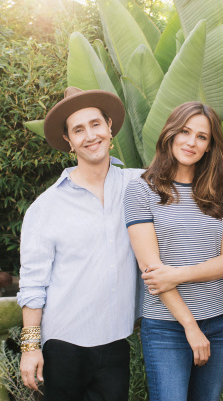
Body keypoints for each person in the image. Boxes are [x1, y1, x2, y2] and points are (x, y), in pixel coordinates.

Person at [17, 87, 143, 401]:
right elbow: (33, 283)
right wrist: (31, 349)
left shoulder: (138, 186)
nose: (90, 135)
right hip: (64, 345)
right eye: (78, 130)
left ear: (110, 127)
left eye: (95, 124)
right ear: (69, 142)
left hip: (115, 343)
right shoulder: (46, 208)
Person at [124, 101, 223, 401]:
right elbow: (153, 272)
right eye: (185, 131)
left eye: (202, 137)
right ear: (170, 135)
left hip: (220, 321)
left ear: (209, 147)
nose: (191, 141)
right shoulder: (141, 190)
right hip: (167, 328)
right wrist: (190, 326)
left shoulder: (221, 192)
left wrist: (176, 274)